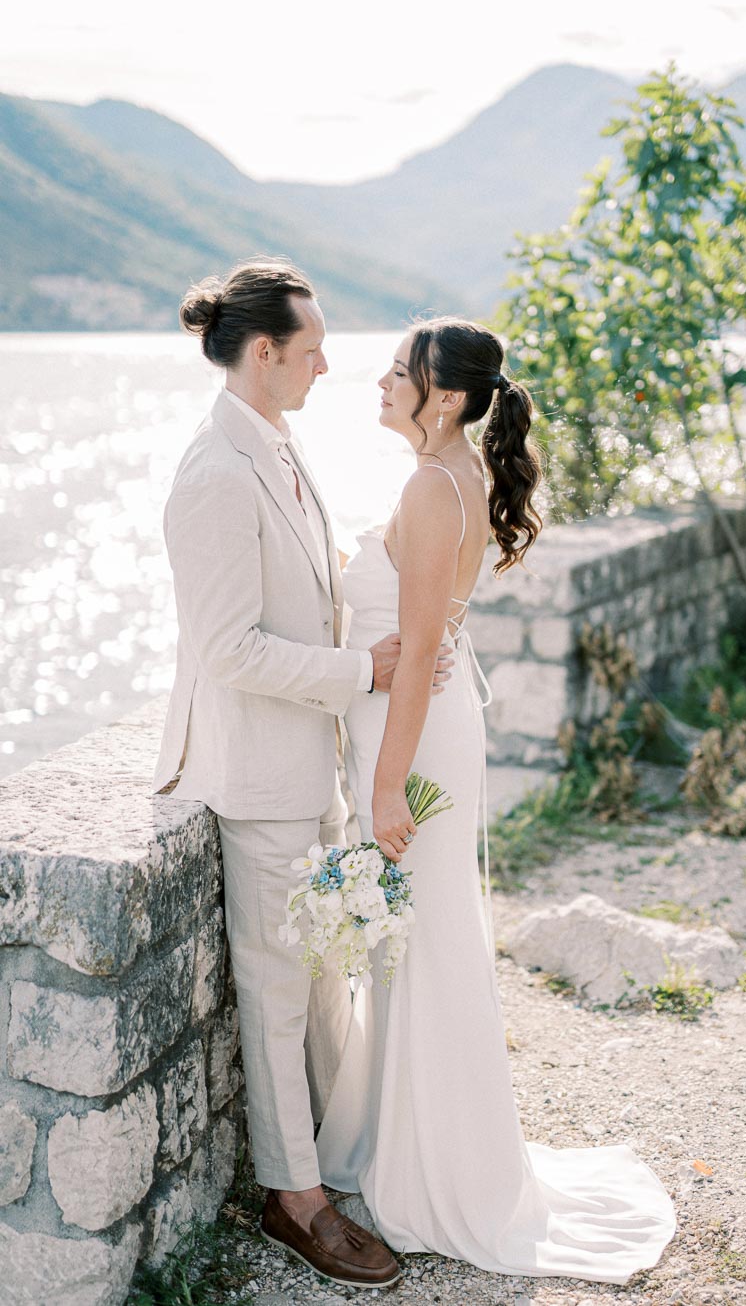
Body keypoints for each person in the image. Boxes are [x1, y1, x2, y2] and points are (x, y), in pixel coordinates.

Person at [315, 317, 677, 1283]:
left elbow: (423, 647)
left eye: (400, 372)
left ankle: (444, 1172)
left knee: (425, 941)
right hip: (423, 724)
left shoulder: (433, 487)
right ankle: (405, 1137)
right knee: (417, 936)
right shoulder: (451, 475)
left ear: (444, 397)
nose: (382, 383)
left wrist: (387, 786)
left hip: (415, 742)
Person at [152, 260, 453, 1290]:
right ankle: (295, 1201)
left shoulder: (275, 445)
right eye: (313, 347)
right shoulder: (213, 474)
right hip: (260, 776)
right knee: (279, 990)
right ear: (264, 350)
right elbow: (227, 648)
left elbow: (311, 595)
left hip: (310, 761)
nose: (329, 363)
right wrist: (359, 670)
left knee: (326, 979)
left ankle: (336, 1157)